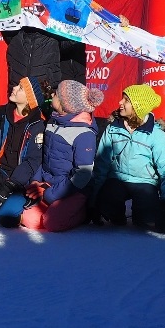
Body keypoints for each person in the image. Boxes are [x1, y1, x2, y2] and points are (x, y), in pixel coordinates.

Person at [88, 84, 165, 233]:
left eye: (126, 100)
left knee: (145, 221)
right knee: (107, 203)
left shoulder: (156, 135)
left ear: (138, 106)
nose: (120, 103)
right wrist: (93, 201)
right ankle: (116, 215)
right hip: (117, 180)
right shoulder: (113, 128)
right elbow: (101, 165)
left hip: (145, 183)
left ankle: (143, 214)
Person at [18, 80, 101, 232]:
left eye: (56, 94)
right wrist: (36, 181)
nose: (52, 95)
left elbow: (82, 175)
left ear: (66, 104)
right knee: (31, 220)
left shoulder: (84, 134)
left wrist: (51, 194)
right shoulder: (53, 122)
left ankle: (83, 212)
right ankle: (56, 208)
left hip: (74, 190)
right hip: (49, 183)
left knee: (52, 223)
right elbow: (44, 157)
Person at [0, 76, 47, 223]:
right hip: (0, 170)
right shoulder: (1, 114)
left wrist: (9, 186)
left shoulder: (38, 124)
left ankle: (7, 203)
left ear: (29, 99)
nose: (14, 88)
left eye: (20, 88)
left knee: (7, 218)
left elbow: (32, 161)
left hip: (21, 179)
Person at [4, 0, 86, 90]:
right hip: (17, 89)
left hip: (44, 91)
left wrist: (80, 6)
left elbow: (73, 39)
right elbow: (7, 29)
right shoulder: (26, 13)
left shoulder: (62, 25)